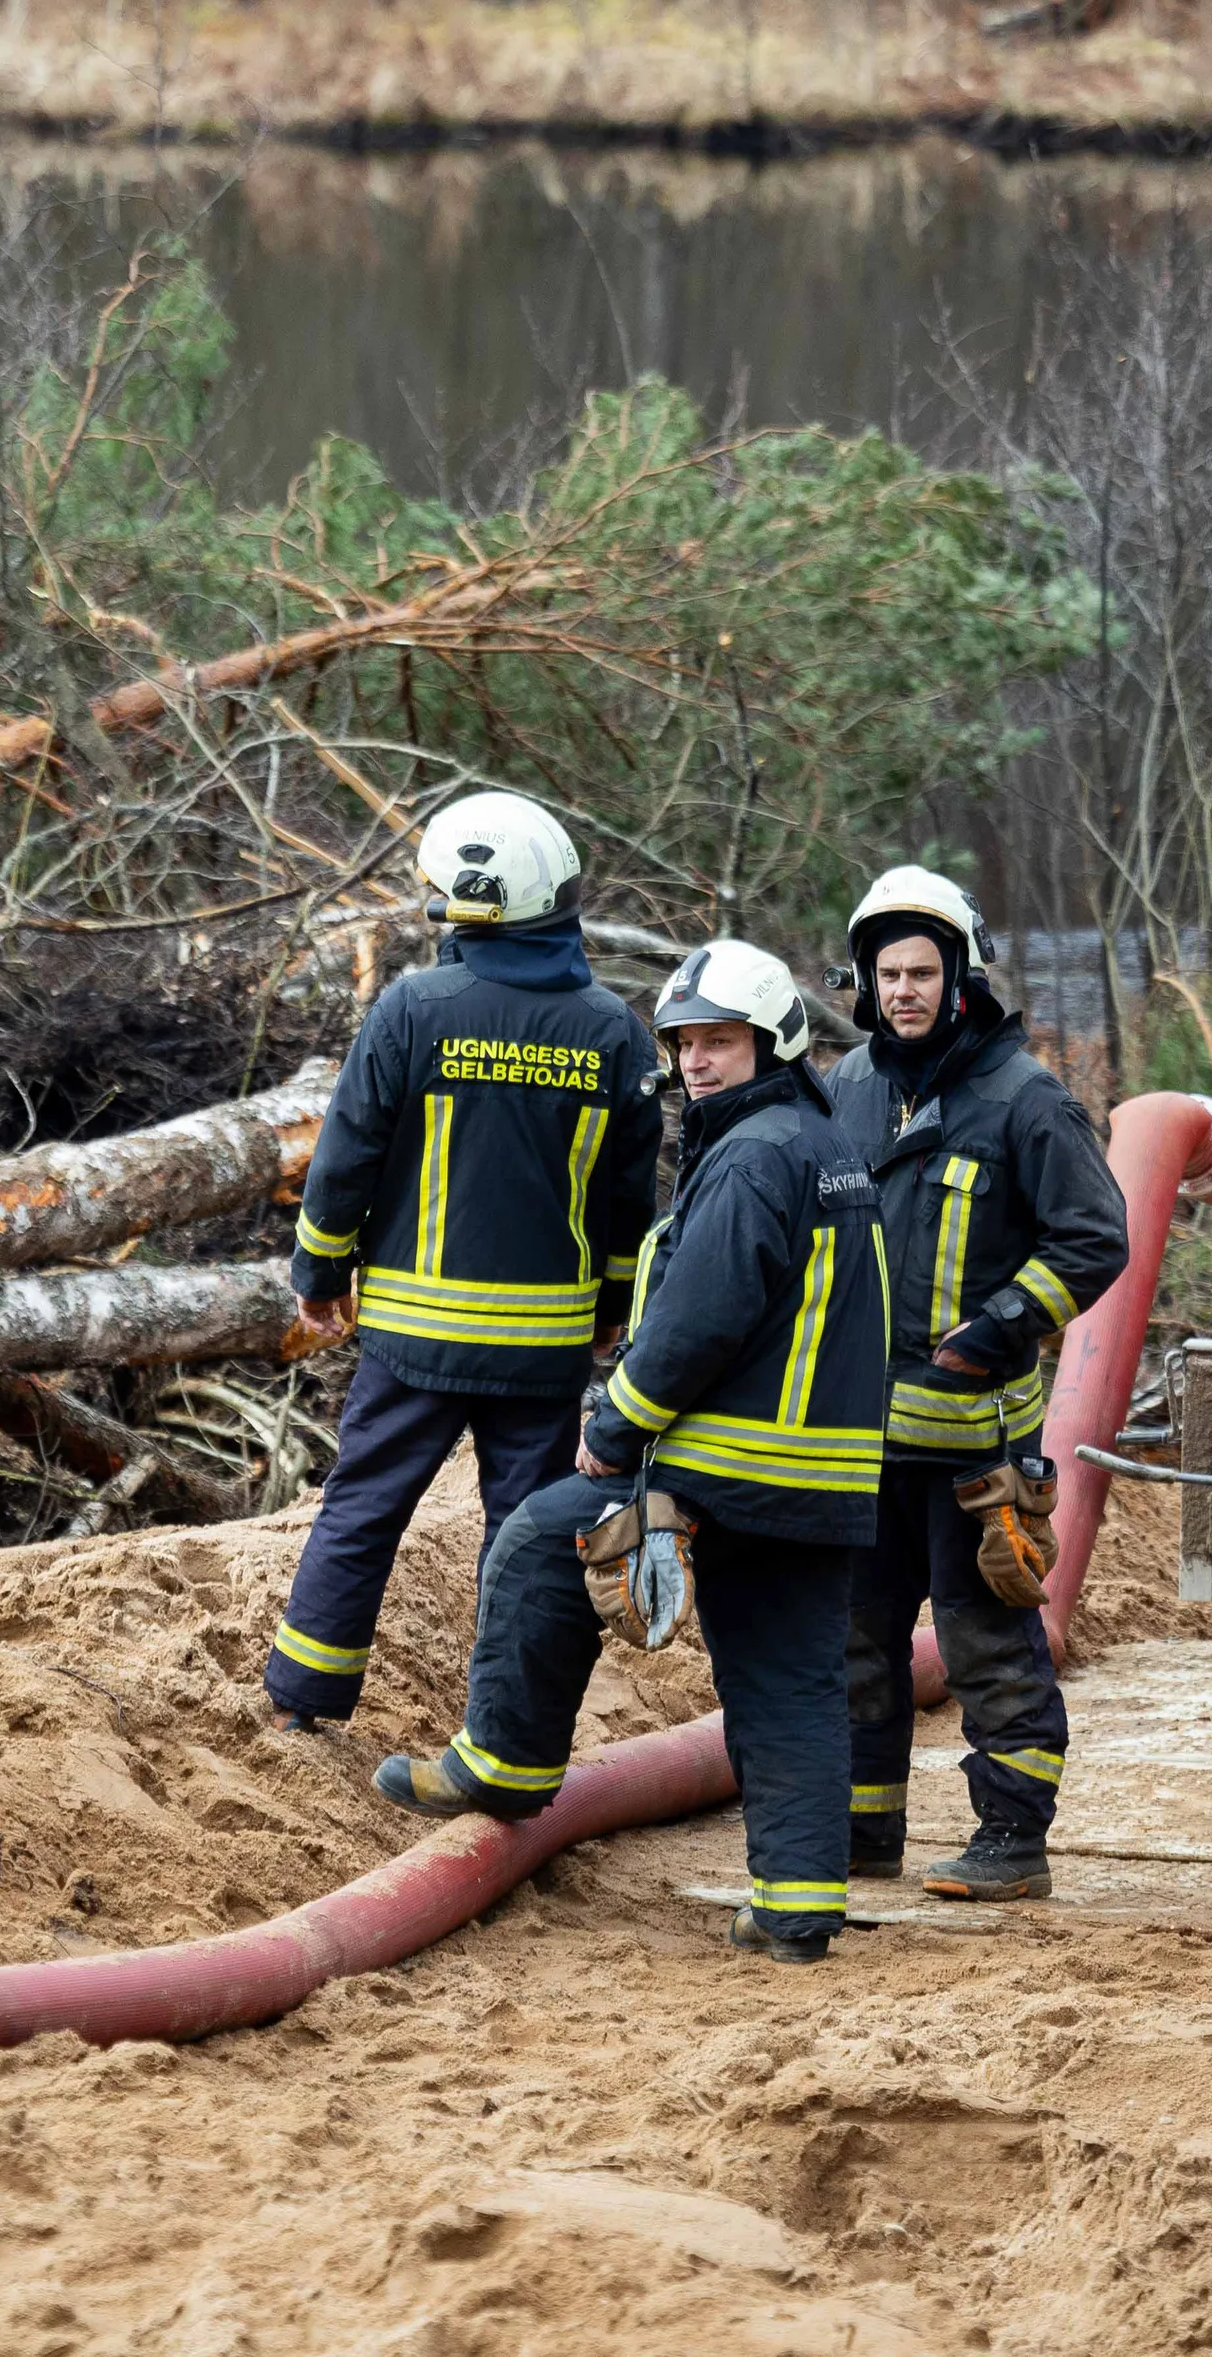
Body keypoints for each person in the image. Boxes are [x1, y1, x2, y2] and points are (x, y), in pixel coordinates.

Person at [376, 939, 888, 1965]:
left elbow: (699, 1320)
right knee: (791, 1680)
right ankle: (796, 1906)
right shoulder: (823, 1145)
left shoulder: (753, 1156)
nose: (697, 1062)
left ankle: (505, 1765)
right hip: (822, 1481)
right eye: (687, 1042)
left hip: (727, 1465)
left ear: (774, 1043)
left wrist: (613, 1431)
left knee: (540, 1541)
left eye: (720, 1041)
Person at [263, 792, 663, 1733]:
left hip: (412, 1340)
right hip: (543, 1350)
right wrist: (612, 1307)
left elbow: (345, 1156)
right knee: (522, 1537)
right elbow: (627, 1203)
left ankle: (301, 1703)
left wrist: (318, 1275)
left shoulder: (413, 1009)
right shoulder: (612, 1031)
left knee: (362, 1509)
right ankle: (503, 1731)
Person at [825, 869, 1130, 1903]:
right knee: (858, 1643)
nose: (904, 989)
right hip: (861, 1447)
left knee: (989, 1644)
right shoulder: (846, 1091)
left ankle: (1011, 1842)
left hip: (972, 1451)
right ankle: (865, 1837)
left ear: (960, 977)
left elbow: (1095, 1237)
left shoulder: (1023, 1099)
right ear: (866, 982)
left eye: (923, 971)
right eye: (888, 972)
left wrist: (1002, 1325)